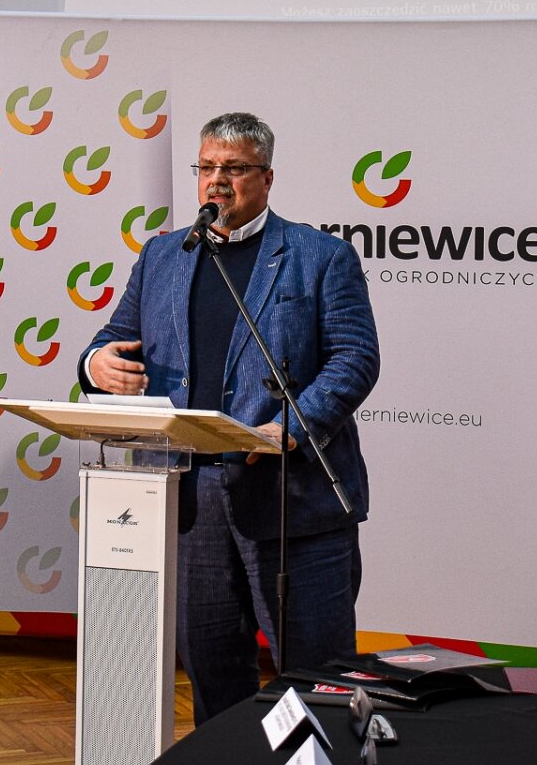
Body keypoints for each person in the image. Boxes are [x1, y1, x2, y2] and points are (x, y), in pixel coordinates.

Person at [80, 112, 379, 723]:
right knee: (213, 673)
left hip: (292, 498)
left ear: (267, 177)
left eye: (235, 168)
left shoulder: (320, 257)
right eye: (207, 167)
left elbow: (354, 358)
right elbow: (114, 339)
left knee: (316, 680)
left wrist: (288, 428)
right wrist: (95, 365)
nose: (217, 180)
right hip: (191, 501)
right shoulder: (162, 255)